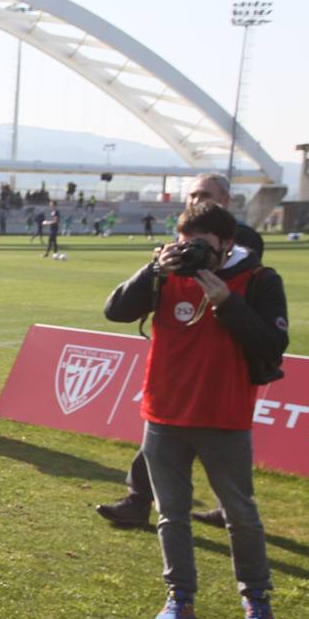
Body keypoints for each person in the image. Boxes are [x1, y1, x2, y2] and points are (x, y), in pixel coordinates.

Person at [103, 202, 287, 619]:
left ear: (227, 244)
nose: (193, 253)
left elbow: (273, 343)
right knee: (171, 515)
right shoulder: (166, 276)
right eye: (186, 243)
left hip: (225, 417)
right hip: (163, 416)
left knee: (241, 515)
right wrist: (154, 269)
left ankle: (256, 599)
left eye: (202, 245)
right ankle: (179, 598)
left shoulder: (259, 279)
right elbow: (115, 310)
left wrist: (227, 304)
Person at [97, 173, 265, 529]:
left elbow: (254, 310)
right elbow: (119, 309)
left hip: (221, 370)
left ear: (226, 201)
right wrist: (157, 268)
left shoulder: (245, 243)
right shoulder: (178, 243)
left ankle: (231, 522)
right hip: (173, 367)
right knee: (161, 441)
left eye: (205, 194)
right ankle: (138, 499)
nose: (196, 200)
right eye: (192, 195)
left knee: (223, 460)